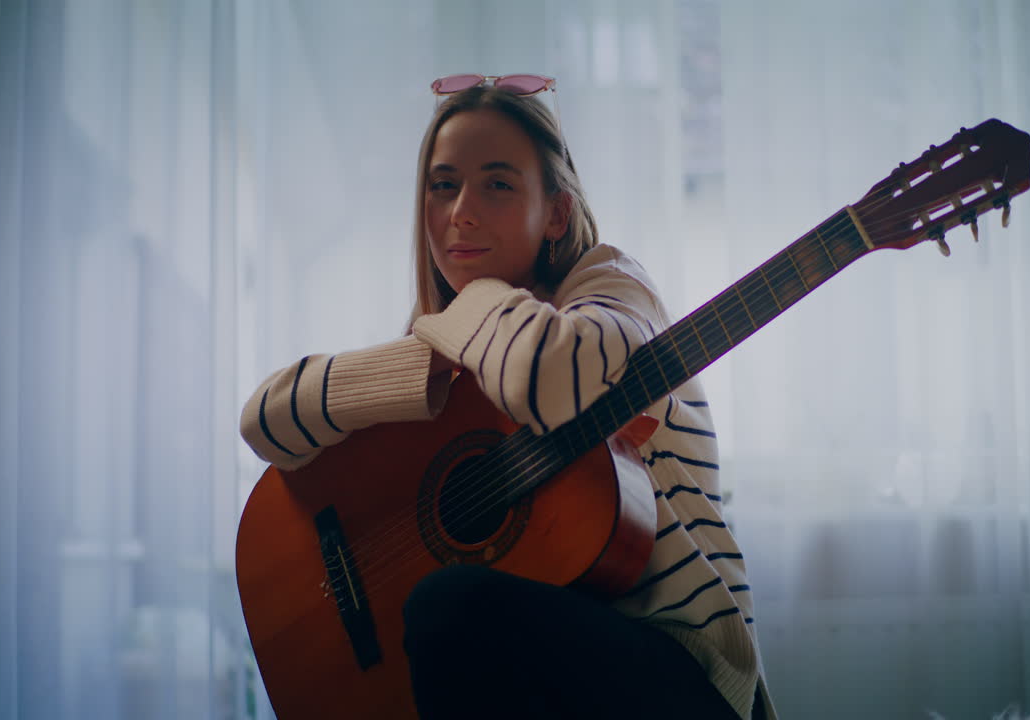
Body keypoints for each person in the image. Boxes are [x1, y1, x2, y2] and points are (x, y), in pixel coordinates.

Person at [240, 74, 775, 720]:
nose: (461, 212)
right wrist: (424, 360)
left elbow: (546, 376)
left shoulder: (613, 288)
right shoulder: (454, 356)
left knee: (450, 606)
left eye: (496, 184)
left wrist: (464, 308)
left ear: (557, 214)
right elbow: (264, 420)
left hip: (689, 671)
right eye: (443, 185)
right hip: (544, 675)